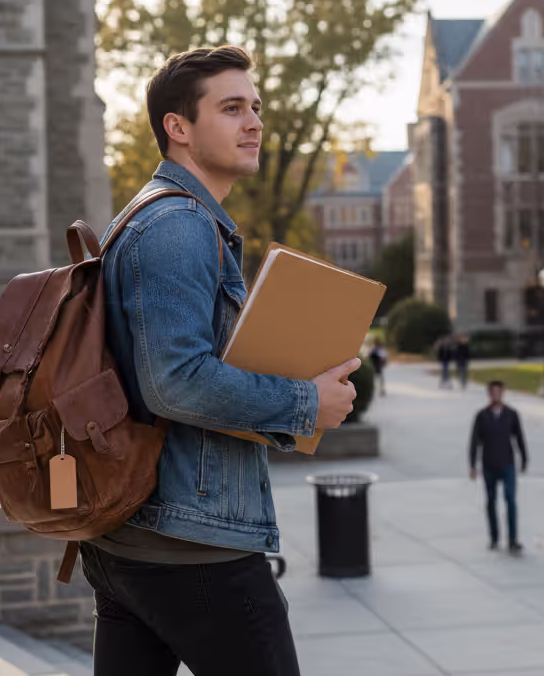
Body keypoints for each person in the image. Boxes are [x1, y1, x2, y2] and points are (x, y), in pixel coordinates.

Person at [83, 45, 360, 676]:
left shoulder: (156, 214)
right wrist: (306, 403)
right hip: (192, 544)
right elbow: (175, 382)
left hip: (137, 535)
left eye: (255, 108)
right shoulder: (177, 225)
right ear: (177, 127)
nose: (254, 122)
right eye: (232, 108)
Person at [469, 381, 528, 552]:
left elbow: (519, 437)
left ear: (503, 393)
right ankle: (494, 538)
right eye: (493, 392)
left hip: (507, 463)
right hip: (489, 464)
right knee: (491, 501)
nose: (496, 395)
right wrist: (473, 465)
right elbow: (474, 441)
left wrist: (524, 458)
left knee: (510, 499)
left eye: (499, 392)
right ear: (489, 394)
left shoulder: (511, 414)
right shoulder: (482, 416)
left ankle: (512, 540)